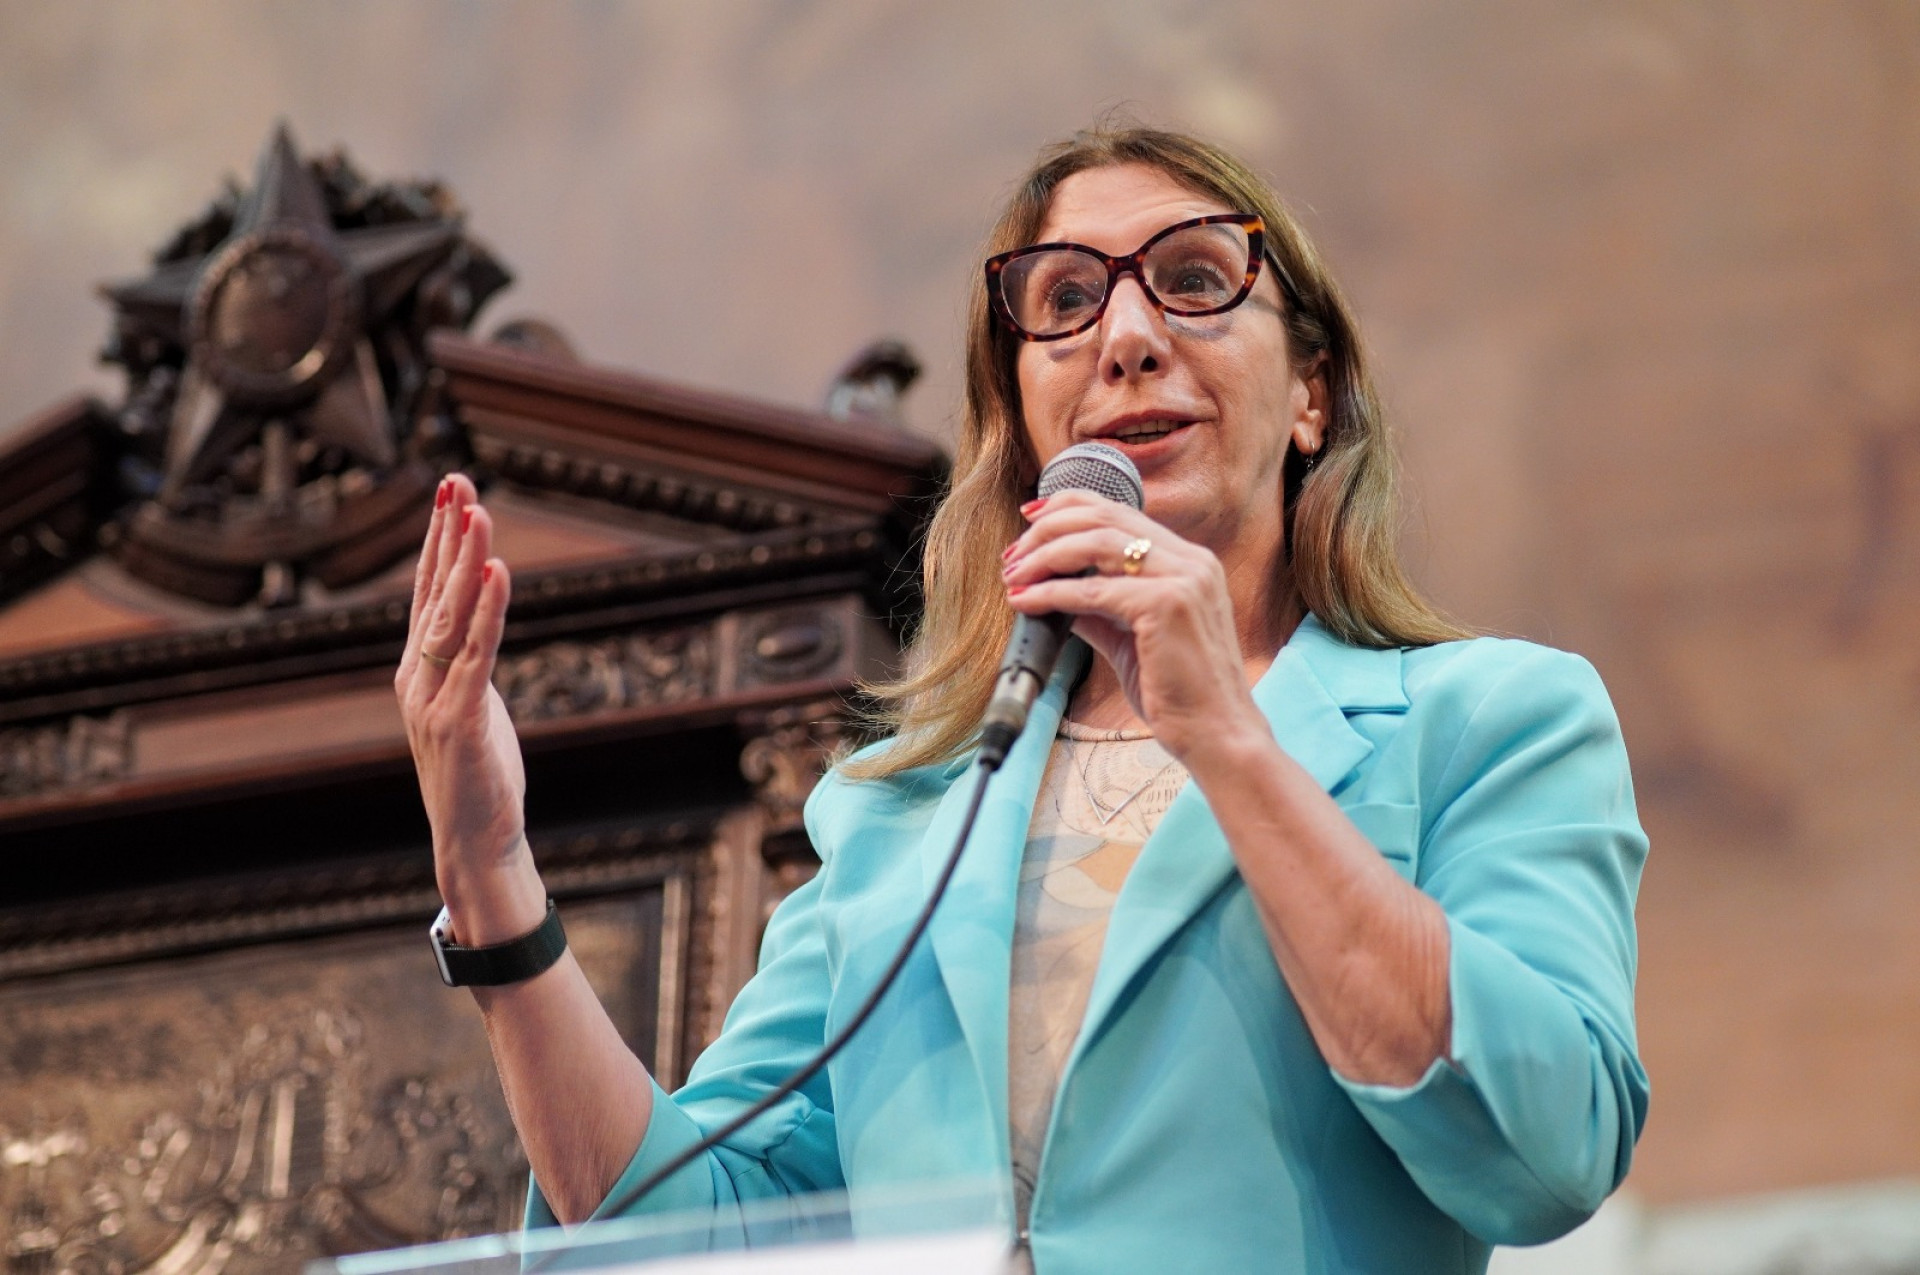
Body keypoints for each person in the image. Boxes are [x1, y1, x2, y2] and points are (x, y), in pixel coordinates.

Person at [397, 125, 1648, 1274]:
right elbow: (695, 1230)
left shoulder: (1492, 720)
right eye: (1064, 301)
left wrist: (1223, 730)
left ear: (1313, 394)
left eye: (1198, 280)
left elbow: (1545, 1151)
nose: (1128, 337)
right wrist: (493, 875)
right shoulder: (897, 811)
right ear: (1026, 422)